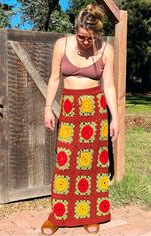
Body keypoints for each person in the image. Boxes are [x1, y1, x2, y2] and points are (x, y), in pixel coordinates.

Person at [41, 3, 119, 235]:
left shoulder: (106, 50)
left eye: (90, 38)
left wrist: (115, 118)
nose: (85, 42)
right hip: (69, 109)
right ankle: (58, 214)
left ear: (97, 34)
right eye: (81, 36)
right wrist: (47, 107)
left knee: (92, 164)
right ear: (75, 30)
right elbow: (54, 78)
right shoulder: (62, 45)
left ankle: (90, 214)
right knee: (65, 162)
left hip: (95, 110)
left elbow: (110, 85)